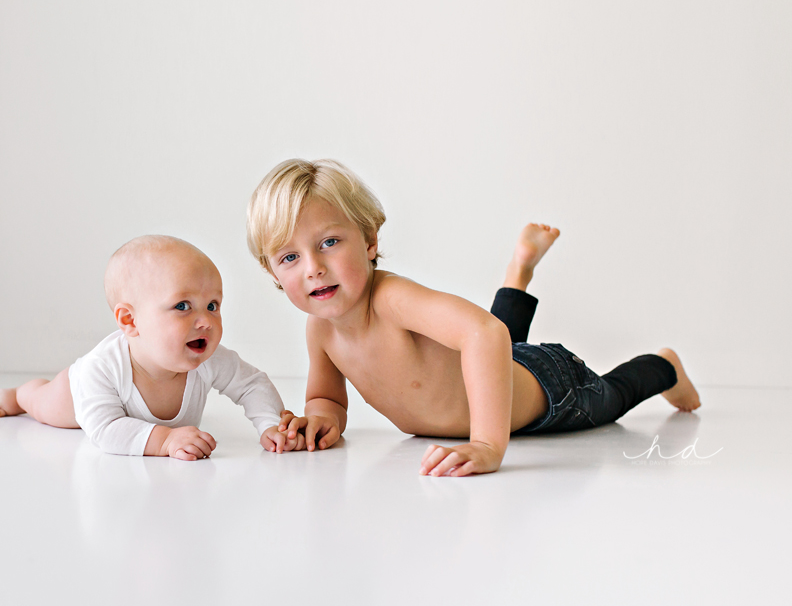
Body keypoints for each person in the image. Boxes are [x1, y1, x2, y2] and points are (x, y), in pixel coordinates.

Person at [246, 159, 701, 476]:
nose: (313, 268)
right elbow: (327, 397)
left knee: (612, 395)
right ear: (272, 273)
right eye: (290, 257)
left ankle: (664, 366)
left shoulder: (390, 300)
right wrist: (321, 419)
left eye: (329, 243)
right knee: (506, 349)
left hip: (552, 391)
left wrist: (487, 444)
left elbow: (484, 333)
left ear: (369, 241)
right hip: (500, 369)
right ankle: (518, 273)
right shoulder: (320, 330)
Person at [0, 235, 304, 458]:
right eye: (182, 306)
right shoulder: (101, 369)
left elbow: (251, 384)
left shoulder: (208, 358)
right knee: (44, 404)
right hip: (72, 398)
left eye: (213, 305)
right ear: (130, 321)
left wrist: (271, 425)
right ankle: (19, 395)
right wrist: (165, 441)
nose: (206, 321)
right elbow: (106, 429)